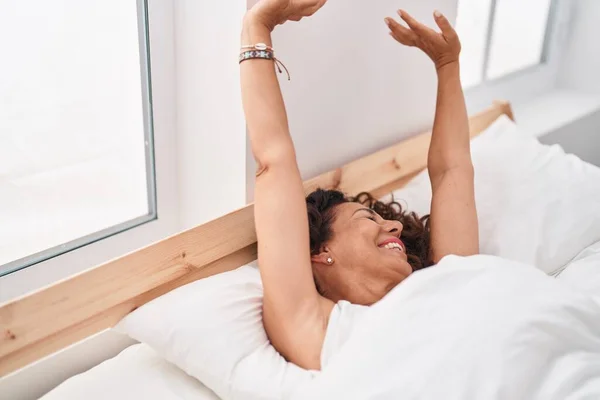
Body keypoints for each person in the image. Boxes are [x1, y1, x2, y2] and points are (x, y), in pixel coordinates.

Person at [240, 0, 477, 371]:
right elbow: (274, 160)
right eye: (368, 218)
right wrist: (257, 25)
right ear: (320, 252)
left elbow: (452, 171)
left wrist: (448, 66)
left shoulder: (448, 277)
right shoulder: (320, 330)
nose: (395, 225)